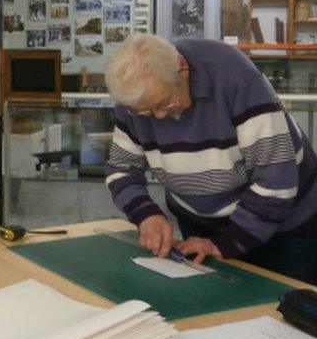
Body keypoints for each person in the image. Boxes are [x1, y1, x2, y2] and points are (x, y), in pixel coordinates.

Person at [104, 33, 317, 283]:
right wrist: (146, 214)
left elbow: (276, 182)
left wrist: (226, 243)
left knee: (286, 311)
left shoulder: (236, 78)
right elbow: (121, 168)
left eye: (165, 103)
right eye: (146, 112)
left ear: (182, 68)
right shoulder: (136, 97)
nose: (159, 117)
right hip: (202, 226)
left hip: (286, 226)